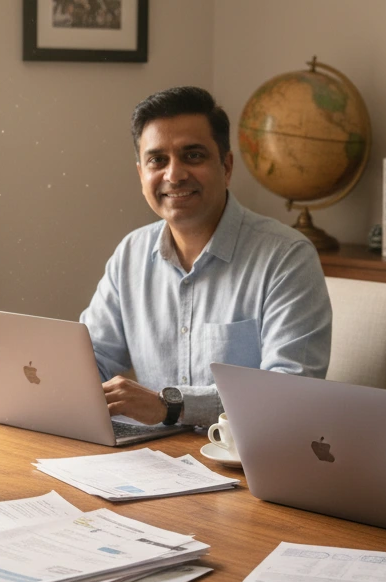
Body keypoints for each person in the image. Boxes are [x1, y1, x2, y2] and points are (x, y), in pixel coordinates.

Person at [80, 86, 332, 428]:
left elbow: (289, 393)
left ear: (226, 166)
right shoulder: (131, 254)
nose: (174, 174)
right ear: (141, 174)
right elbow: (88, 359)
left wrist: (171, 406)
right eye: (158, 160)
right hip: (151, 460)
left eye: (193, 155)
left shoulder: (286, 257)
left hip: (245, 465)